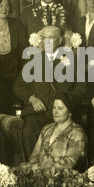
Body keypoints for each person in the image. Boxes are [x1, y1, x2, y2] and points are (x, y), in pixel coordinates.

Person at [13, 25, 86, 159]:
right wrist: (31, 98)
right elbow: (18, 86)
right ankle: (32, 171)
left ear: (59, 40)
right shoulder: (32, 60)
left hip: (63, 114)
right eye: (44, 38)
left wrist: (67, 102)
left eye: (51, 38)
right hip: (38, 113)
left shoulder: (72, 59)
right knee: (29, 130)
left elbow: (82, 88)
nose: (47, 41)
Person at [19, 93, 88, 171]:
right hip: (39, 177)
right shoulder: (47, 128)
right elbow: (34, 156)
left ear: (70, 112)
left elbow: (69, 164)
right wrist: (29, 168)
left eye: (60, 108)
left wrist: (37, 167)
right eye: (54, 108)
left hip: (63, 179)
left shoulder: (77, 133)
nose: (55, 112)